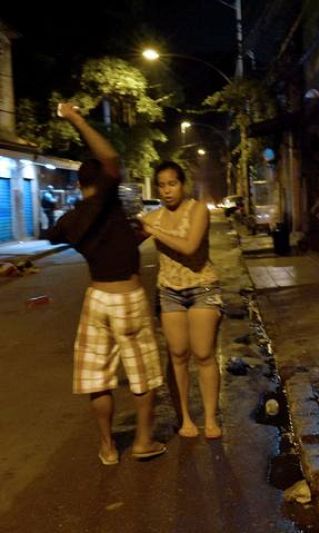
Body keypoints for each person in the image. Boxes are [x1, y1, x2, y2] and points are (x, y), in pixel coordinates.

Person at [45, 102, 165, 465]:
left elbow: (86, 242)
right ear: (102, 184)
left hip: (97, 299)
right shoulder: (107, 204)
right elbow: (111, 158)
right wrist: (77, 118)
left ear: (79, 184)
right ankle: (143, 442)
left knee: (98, 377)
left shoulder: (70, 221)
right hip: (127, 298)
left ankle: (108, 446)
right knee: (142, 374)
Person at [141, 161, 223, 440]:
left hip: (202, 287)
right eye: (161, 185)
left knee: (203, 354)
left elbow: (190, 246)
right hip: (169, 291)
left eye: (172, 183)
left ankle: (210, 418)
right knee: (177, 355)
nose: (166, 190)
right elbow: (124, 243)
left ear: (182, 184)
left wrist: (153, 229)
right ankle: (185, 418)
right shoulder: (152, 217)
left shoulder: (197, 210)